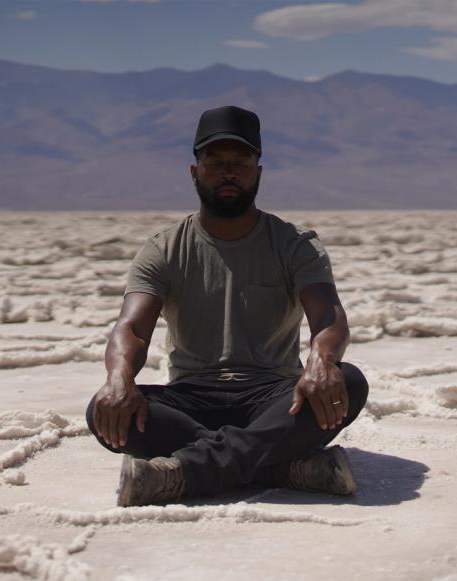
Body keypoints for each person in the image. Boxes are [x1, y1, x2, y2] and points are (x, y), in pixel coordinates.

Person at [86, 105, 369, 507]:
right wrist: (118, 378)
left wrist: (322, 360)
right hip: (192, 398)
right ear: (194, 171)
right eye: (215, 162)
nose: (228, 172)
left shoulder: (294, 244)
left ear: (258, 171)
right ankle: (282, 466)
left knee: (349, 381)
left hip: (275, 398)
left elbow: (327, 315)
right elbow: (131, 328)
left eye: (240, 163)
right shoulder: (164, 248)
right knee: (104, 410)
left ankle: (184, 472)